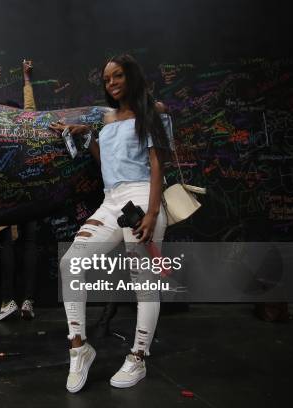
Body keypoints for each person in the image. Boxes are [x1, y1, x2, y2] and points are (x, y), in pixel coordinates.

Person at [50, 54, 170, 393]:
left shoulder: (155, 111)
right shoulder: (106, 118)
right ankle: (79, 347)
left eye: (117, 76)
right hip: (112, 199)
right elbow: (110, 166)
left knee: (144, 281)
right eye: (106, 79)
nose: (111, 83)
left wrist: (152, 213)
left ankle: (138, 357)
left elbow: (157, 163)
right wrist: (88, 137)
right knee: (71, 262)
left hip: (143, 197)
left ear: (131, 76)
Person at [0, 60, 39, 321]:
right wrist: (26, 80)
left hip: (7, 199)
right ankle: (28, 302)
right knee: (30, 245)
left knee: (7, 246)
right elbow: (31, 107)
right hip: (33, 193)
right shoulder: (26, 127)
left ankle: (8, 301)